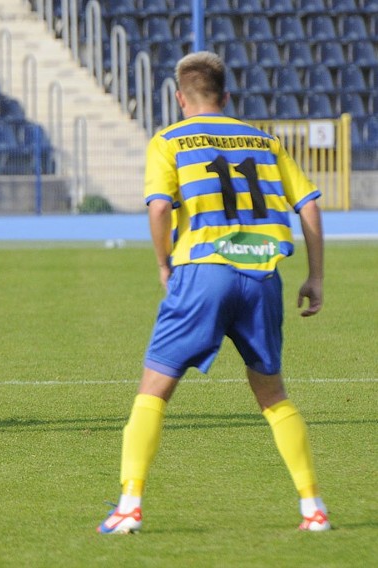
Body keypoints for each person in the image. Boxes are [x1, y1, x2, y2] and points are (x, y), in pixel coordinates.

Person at [97, 52, 331, 534]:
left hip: (203, 271)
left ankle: (129, 504)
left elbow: (160, 209)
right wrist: (316, 276)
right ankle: (313, 507)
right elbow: (308, 206)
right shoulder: (266, 142)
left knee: (155, 389)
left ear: (181, 99)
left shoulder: (169, 141)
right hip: (264, 274)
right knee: (273, 394)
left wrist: (163, 262)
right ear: (227, 97)